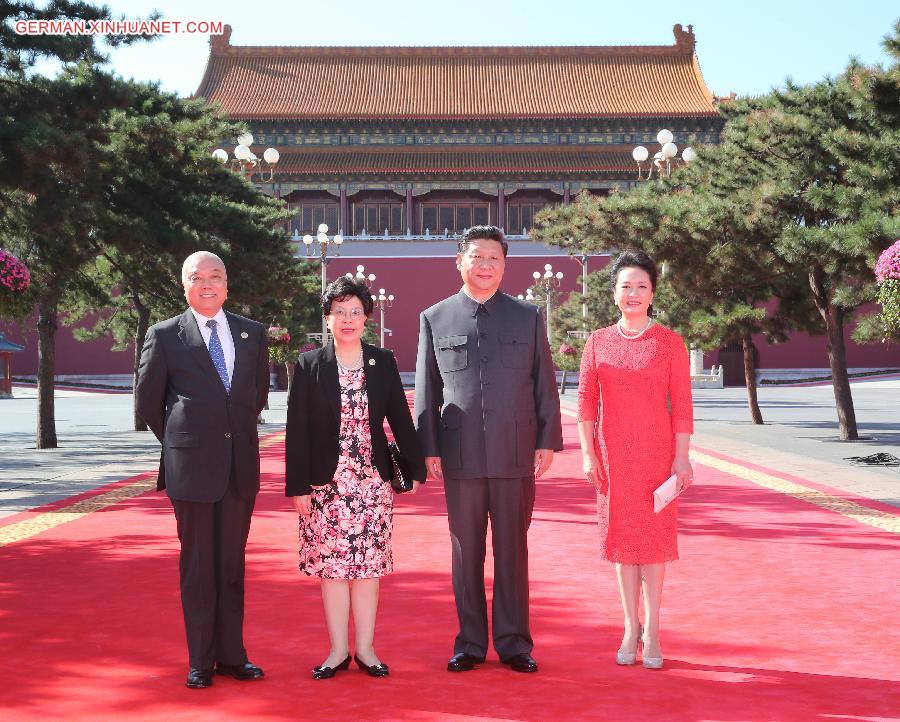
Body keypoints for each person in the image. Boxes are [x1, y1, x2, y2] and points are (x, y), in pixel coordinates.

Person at [414, 225, 563, 674]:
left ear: (504, 265)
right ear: (459, 261)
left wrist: (546, 439)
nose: (485, 266)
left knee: (512, 550)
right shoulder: (435, 318)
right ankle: (471, 643)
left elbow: (543, 383)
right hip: (460, 456)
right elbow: (427, 389)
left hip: (515, 452)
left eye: (494, 258)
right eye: (476, 257)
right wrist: (429, 447)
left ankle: (515, 642)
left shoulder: (527, 316)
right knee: (466, 553)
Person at [135, 251, 269, 689]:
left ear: (227, 285)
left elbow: (256, 396)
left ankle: (233, 655)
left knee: (232, 565)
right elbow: (148, 403)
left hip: (239, 468)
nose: (207, 284)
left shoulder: (251, 333)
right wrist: (184, 442)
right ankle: (200, 661)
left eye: (215, 277)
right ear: (184, 284)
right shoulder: (165, 335)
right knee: (198, 566)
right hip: (191, 469)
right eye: (197, 277)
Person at [285, 276, 426, 680]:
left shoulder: (382, 362)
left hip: (370, 484)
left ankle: (365, 649)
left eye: (355, 311)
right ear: (327, 319)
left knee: (367, 568)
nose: (348, 319)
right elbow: (297, 429)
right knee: (332, 571)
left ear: (367, 318)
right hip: (324, 486)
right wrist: (297, 486)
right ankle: (337, 651)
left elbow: (400, 416)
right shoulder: (310, 365)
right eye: (339, 312)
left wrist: (415, 468)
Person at [576, 249, 693, 670]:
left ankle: (655, 628)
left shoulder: (669, 343)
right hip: (613, 459)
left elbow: (682, 405)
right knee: (623, 547)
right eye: (626, 286)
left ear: (652, 293)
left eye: (642, 286)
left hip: (657, 457)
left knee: (654, 547)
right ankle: (630, 626)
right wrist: (589, 455)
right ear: (613, 294)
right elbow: (586, 405)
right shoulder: (597, 342)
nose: (633, 293)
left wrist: (682, 459)